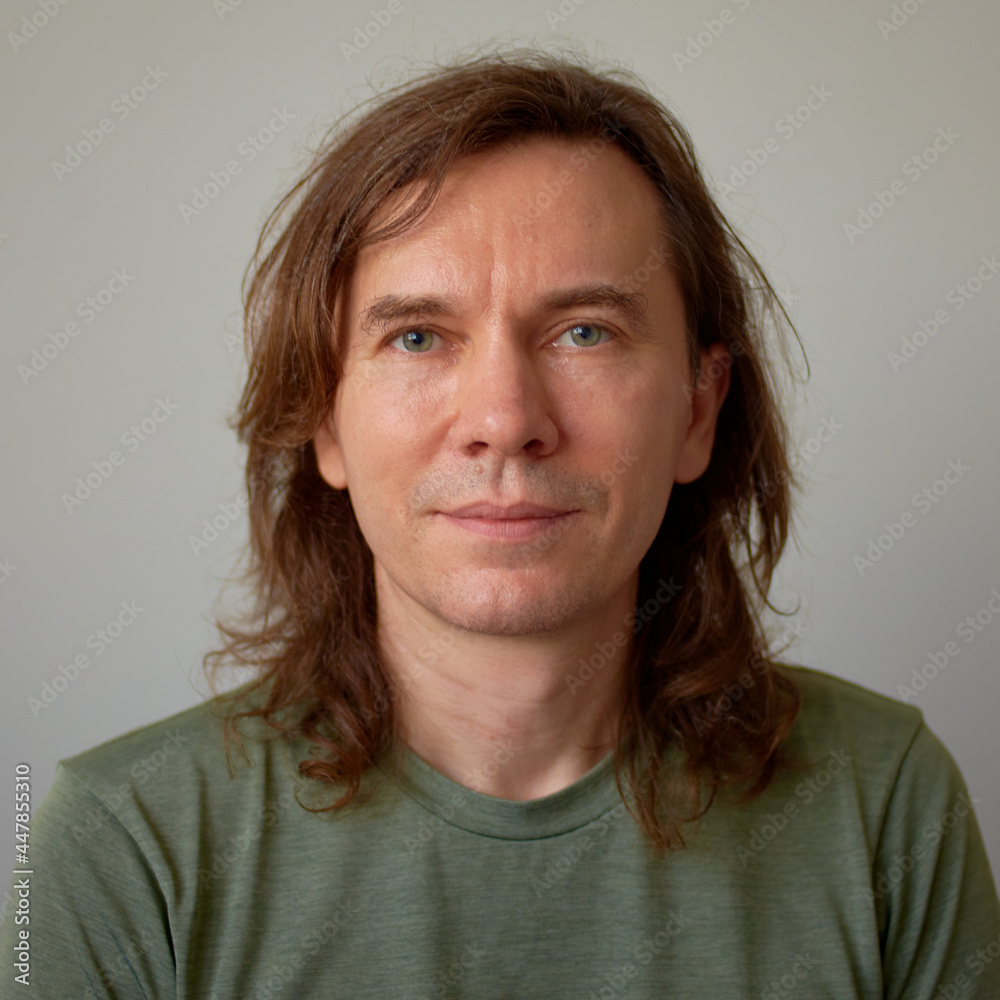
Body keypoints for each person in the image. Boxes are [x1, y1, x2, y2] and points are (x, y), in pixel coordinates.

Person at [3, 47, 998, 1000]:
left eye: (583, 332)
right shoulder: (123, 848)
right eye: (418, 337)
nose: (505, 419)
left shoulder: (881, 801)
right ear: (324, 422)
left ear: (698, 411)